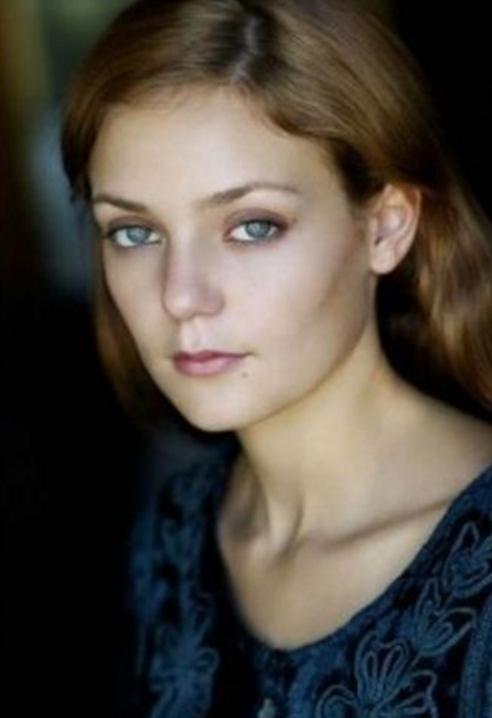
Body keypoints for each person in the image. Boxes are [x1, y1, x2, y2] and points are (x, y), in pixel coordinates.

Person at [60, 0, 492, 715]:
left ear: (386, 228)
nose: (181, 296)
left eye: (252, 226)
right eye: (134, 233)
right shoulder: (172, 535)